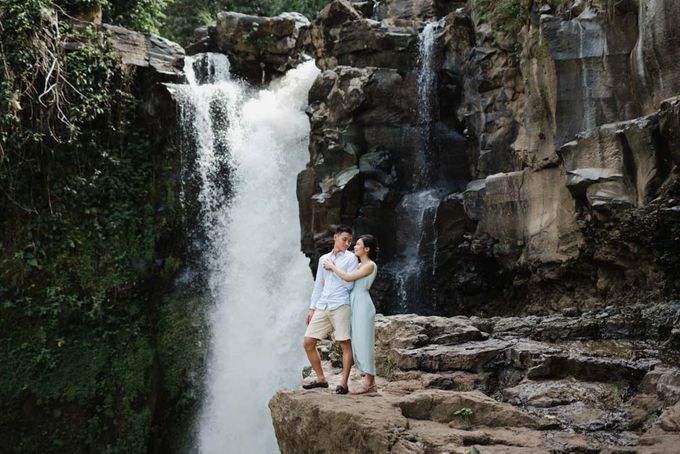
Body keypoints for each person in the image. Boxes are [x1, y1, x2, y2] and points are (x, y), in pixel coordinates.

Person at [302, 225, 358, 395]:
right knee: (308, 342)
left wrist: (333, 268)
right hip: (323, 305)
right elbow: (318, 284)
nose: (347, 243)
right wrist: (312, 308)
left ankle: (343, 384)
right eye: (344, 239)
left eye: (350, 240)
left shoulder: (351, 259)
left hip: (341, 305)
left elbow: (349, 284)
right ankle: (321, 379)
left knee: (344, 343)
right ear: (335, 237)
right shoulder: (323, 259)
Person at [323, 234, 378, 394]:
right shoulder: (360, 264)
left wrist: (332, 266)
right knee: (357, 342)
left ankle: (369, 383)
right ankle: (371, 382)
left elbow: (347, 277)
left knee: (364, 342)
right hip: (354, 302)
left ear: (366, 249)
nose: (354, 246)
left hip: (362, 304)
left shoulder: (369, 265)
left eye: (358, 244)